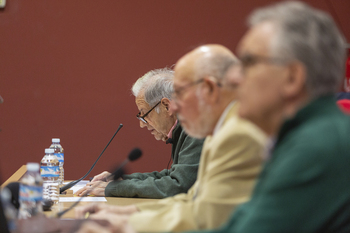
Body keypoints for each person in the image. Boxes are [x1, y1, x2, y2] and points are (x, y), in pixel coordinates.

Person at [185, 2, 350, 233]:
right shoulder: (300, 136)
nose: (233, 77)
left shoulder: (317, 146)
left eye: (248, 62)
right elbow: (237, 225)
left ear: (292, 78)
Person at [75, 44, 266, 232]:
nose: (173, 108)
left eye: (180, 94)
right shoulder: (218, 130)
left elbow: (203, 213)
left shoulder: (234, 134)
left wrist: (129, 223)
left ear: (208, 89)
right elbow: (192, 198)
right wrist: (130, 212)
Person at [76, 68, 204, 198]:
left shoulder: (197, 130)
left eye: (145, 114)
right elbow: (171, 176)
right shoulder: (185, 127)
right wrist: (121, 180)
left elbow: (178, 186)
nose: (142, 124)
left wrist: (117, 188)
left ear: (166, 106)